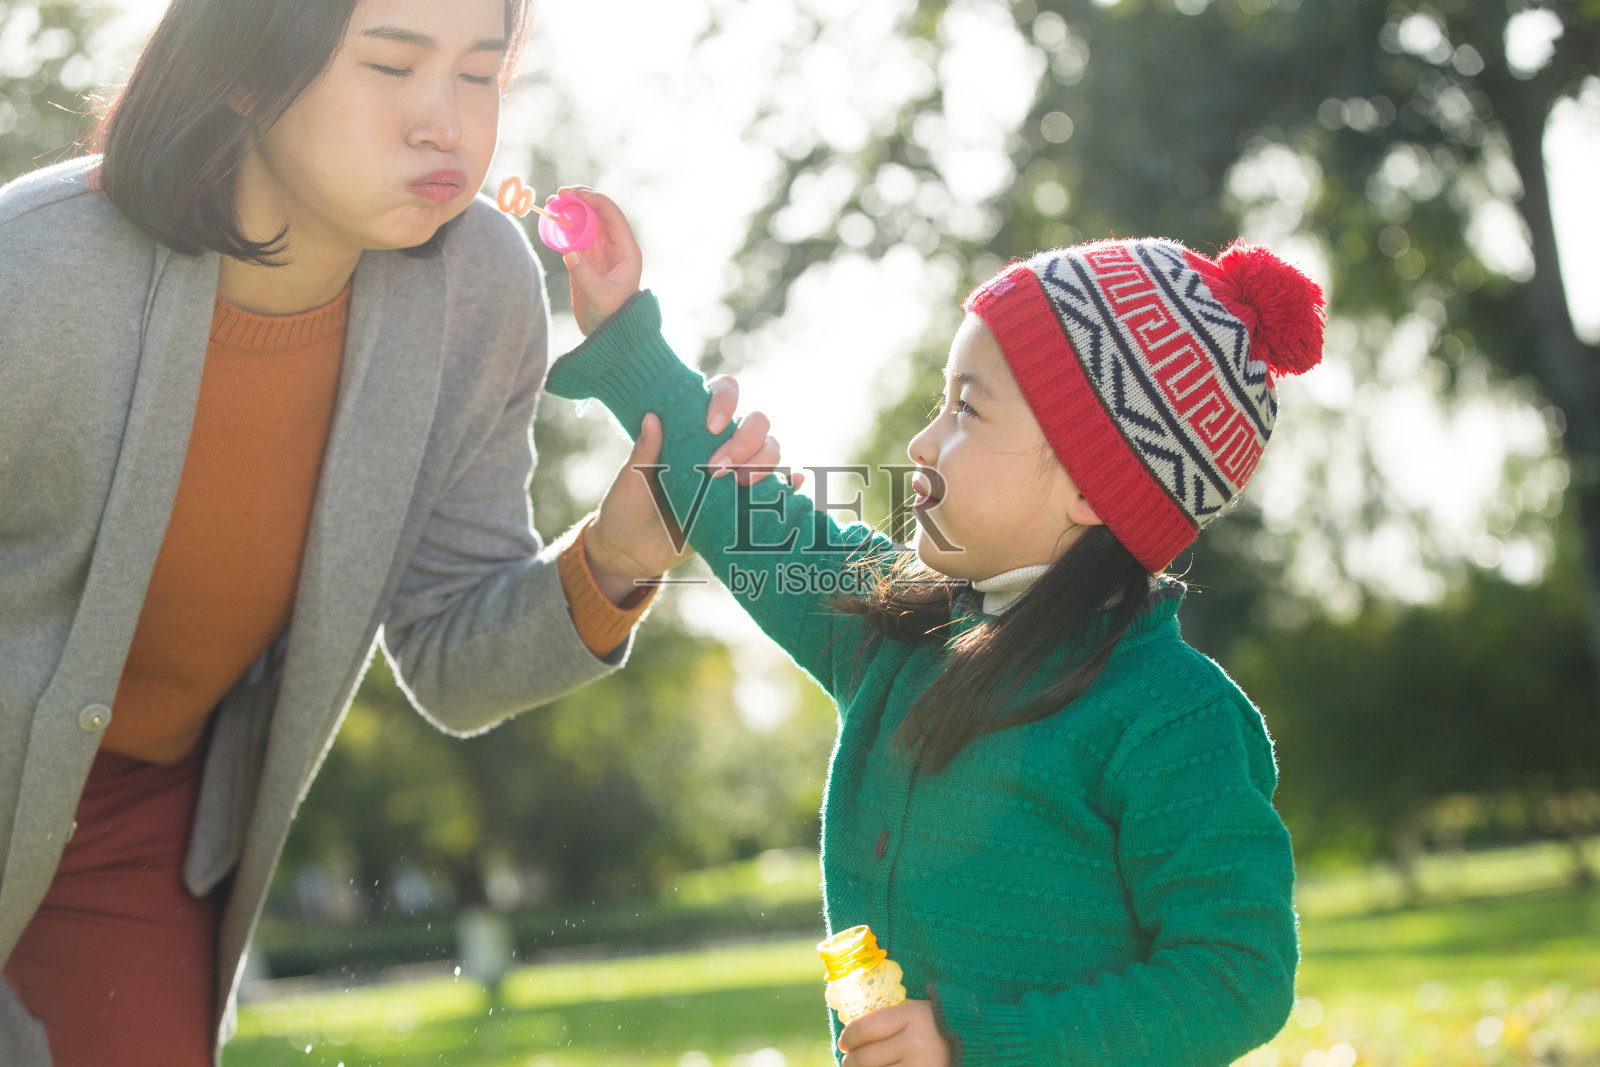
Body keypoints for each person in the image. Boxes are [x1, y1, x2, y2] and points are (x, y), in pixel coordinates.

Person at [0, 1, 787, 1064]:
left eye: (478, 75)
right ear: (244, 66)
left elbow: (452, 656)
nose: (445, 126)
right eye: (391, 65)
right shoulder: (33, 270)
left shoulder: (479, 291)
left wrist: (614, 556)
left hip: (138, 825)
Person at [546, 189, 1323, 1065]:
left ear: (1088, 484)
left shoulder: (1172, 715)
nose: (921, 441)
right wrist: (626, 340)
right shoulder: (898, 631)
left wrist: (976, 1043)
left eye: (967, 410)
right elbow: (744, 509)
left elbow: (1238, 973)